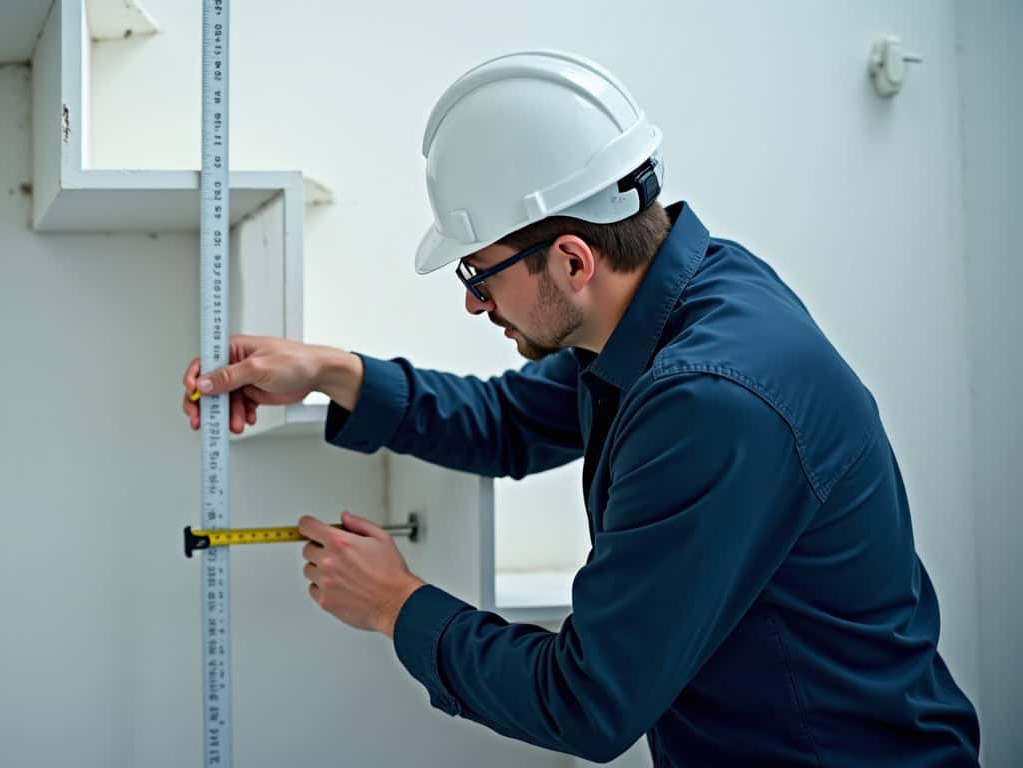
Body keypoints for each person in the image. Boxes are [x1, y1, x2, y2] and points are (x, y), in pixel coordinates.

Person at [181, 51, 980, 766]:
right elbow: (506, 423)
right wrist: (330, 371)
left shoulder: (709, 398)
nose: (473, 302)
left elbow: (586, 704)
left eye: (478, 274)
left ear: (570, 258)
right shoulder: (677, 302)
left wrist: (396, 605)